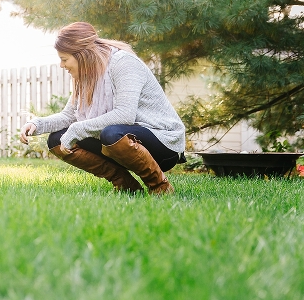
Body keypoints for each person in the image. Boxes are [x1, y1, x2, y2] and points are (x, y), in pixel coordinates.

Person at [20, 22, 186, 194]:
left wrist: (78, 129)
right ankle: (126, 186)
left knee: (111, 133)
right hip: (121, 141)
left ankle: (160, 187)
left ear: (82, 55)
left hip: (163, 142)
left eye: (64, 59)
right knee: (57, 139)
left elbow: (125, 115)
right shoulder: (87, 76)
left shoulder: (123, 63)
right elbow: (69, 116)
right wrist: (37, 124)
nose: (62, 65)